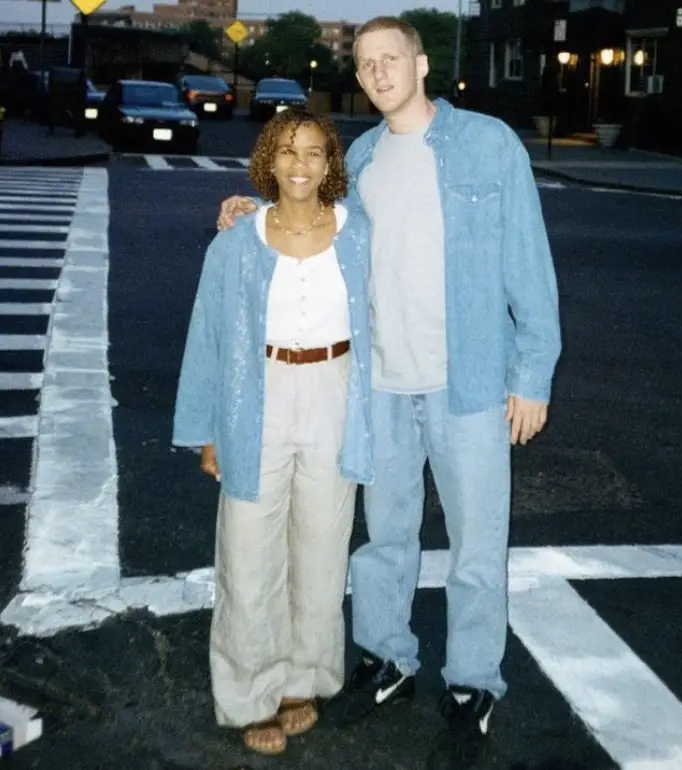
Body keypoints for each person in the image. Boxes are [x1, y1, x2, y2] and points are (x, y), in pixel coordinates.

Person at [216, 16, 562, 770]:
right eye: (366, 63)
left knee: (477, 545)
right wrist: (252, 216)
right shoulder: (363, 159)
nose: (377, 72)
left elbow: (527, 262)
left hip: (468, 383)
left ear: (421, 62)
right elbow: (313, 229)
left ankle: (473, 680)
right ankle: (388, 658)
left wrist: (532, 375)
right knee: (384, 540)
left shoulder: (487, 144)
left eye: (389, 58)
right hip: (380, 387)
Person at [173, 109, 373, 757]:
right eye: (288, 152)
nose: (301, 165)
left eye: (314, 153)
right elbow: (208, 339)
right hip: (255, 394)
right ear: (268, 160)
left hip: (335, 392)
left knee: (321, 548)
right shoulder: (237, 241)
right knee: (248, 550)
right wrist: (207, 431)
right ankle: (248, 692)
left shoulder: (360, 235)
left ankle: (302, 680)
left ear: (329, 165)